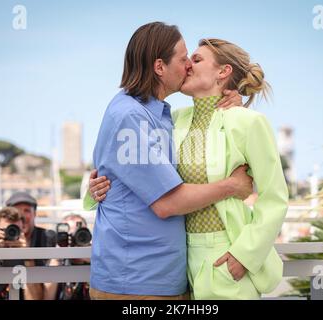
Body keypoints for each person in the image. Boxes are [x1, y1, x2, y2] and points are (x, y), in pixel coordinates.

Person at [90, 37, 289, 299]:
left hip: (227, 258)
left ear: (223, 71)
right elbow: (138, 171)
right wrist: (101, 185)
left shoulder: (248, 123)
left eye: (195, 60)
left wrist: (245, 255)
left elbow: (275, 197)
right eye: (185, 60)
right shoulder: (170, 120)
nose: (187, 66)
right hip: (181, 269)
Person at [44, 214, 91, 300]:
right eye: (68, 235)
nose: (74, 239)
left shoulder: (96, 260)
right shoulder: (56, 262)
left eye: (80, 234)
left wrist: (93, 259)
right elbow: (47, 297)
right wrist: (57, 257)